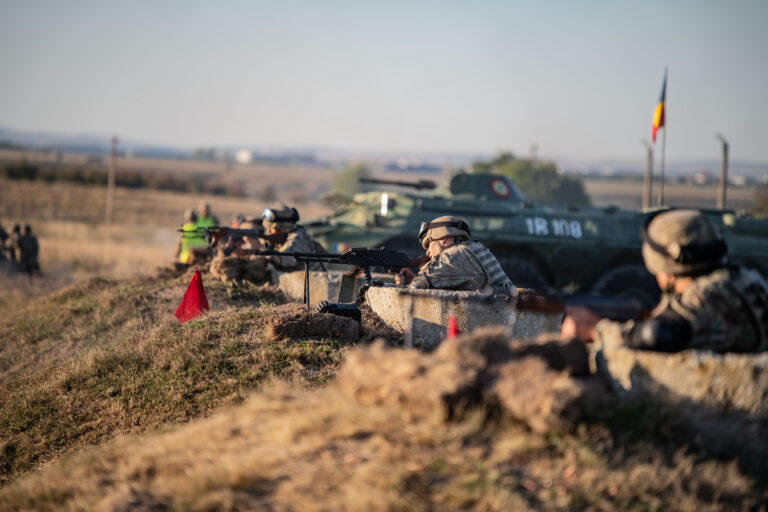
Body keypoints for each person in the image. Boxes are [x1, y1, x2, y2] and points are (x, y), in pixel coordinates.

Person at [562, 209, 768, 353]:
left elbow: (657, 335)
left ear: (662, 266)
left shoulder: (703, 296)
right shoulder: (746, 278)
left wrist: (594, 330)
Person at [394, 215, 514, 292]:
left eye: (429, 245)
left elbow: (415, 289)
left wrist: (408, 283)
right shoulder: (476, 247)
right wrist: (411, 279)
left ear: (443, 239)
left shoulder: (454, 256)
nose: (427, 252)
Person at [261, 206, 327, 271]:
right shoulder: (279, 236)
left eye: (272, 228)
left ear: (282, 228)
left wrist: (267, 252)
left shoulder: (298, 236)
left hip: (312, 278)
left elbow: (287, 261)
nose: (268, 231)